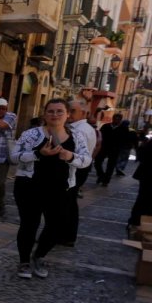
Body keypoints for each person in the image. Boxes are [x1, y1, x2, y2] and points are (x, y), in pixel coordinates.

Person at [10, 99, 90, 279]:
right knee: (29, 224)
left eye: (60, 111)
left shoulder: (77, 137)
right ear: (44, 114)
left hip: (61, 189)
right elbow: (14, 157)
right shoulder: (31, 134)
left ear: (67, 114)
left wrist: (70, 156)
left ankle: (39, 256)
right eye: (51, 111)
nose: (55, 115)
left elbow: (86, 160)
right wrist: (39, 154)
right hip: (29, 187)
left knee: (57, 226)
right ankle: (24, 262)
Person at [64, 100, 97, 246]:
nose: (69, 114)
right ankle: (67, 235)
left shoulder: (80, 130)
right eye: (68, 110)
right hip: (78, 168)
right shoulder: (81, 127)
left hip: (76, 168)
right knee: (69, 203)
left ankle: (65, 235)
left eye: (72, 111)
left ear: (83, 113)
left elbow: (77, 153)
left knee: (68, 202)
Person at [128, 134, 152, 233]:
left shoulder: (149, 143)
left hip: (146, 175)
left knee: (143, 198)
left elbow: (141, 154)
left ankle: (138, 221)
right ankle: (136, 222)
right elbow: (143, 155)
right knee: (144, 198)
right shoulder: (149, 144)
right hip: (148, 176)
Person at [96, 113, 124, 186]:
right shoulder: (106, 126)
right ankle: (101, 175)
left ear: (121, 120)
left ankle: (106, 181)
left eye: (118, 119)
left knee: (110, 166)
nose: (117, 121)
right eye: (115, 119)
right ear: (113, 119)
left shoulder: (123, 129)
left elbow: (125, 140)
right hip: (103, 148)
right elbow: (100, 136)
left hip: (115, 150)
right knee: (97, 162)